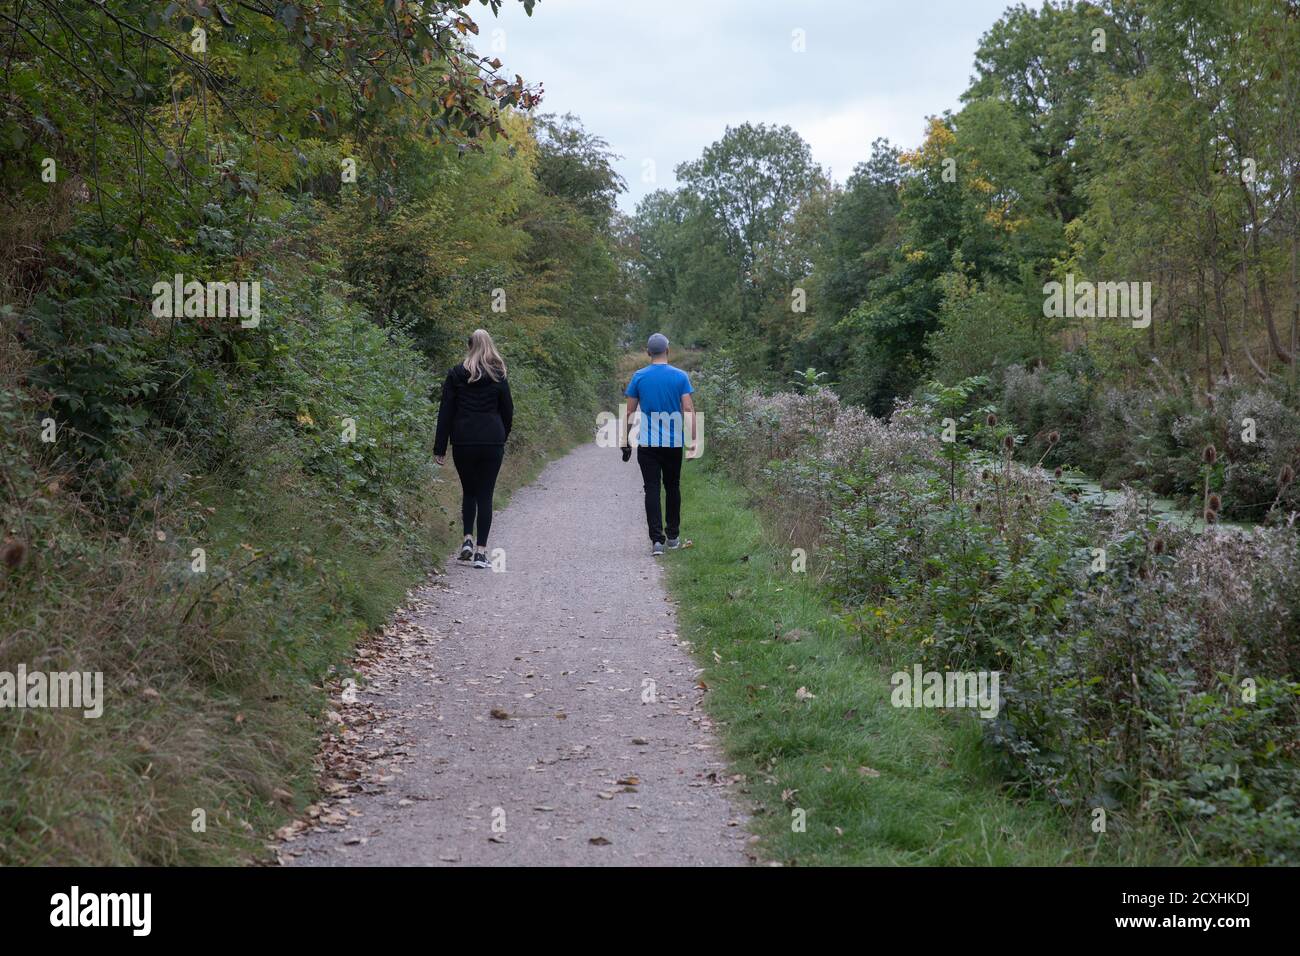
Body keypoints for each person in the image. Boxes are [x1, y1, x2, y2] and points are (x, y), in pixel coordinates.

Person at [434, 329, 513, 569]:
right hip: (491, 440)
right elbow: (507, 410)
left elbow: (446, 411)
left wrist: (440, 447)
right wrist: (502, 435)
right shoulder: (499, 374)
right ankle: (480, 553)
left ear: (470, 346)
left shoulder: (456, 374)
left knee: (469, 492)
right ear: (490, 346)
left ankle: (467, 539)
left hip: (463, 440)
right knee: (485, 495)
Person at [622, 332, 695, 556]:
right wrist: (692, 442)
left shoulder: (639, 377)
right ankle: (672, 537)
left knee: (651, 489)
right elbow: (689, 409)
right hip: (673, 445)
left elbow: (630, 412)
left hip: (648, 445)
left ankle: (656, 542)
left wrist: (625, 440)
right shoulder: (680, 377)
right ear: (668, 351)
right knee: (672, 487)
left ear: (647, 352)